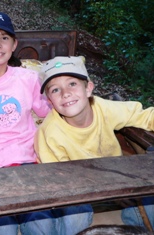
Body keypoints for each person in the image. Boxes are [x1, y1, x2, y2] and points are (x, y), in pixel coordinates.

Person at [0, 11, 91, 235]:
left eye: (4, 38)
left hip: (29, 163)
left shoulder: (28, 79)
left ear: (14, 44)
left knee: (42, 224)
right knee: (3, 229)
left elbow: (55, 114)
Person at [35, 55, 154, 231]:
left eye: (72, 84)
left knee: (149, 196)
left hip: (117, 182)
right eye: (55, 90)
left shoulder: (103, 108)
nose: (65, 93)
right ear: (50, 101)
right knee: (76, 213)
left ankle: (138, 228)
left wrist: (120, 189)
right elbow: (58, 180)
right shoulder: (48, 133)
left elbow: (143, 115)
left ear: (88, 88)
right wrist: (108, 190)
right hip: (77, 191)